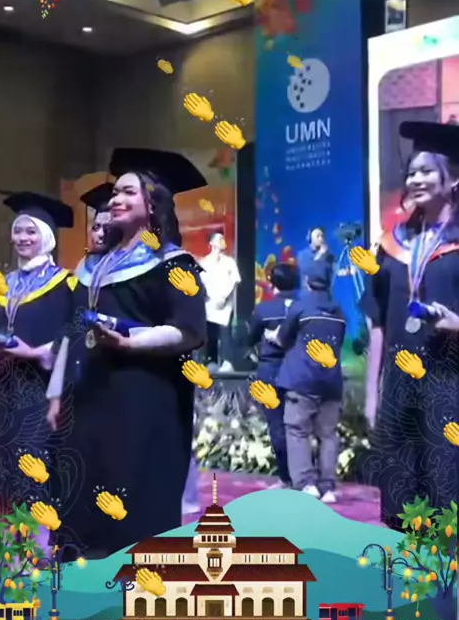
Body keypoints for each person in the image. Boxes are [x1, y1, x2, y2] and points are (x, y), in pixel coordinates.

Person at [47, 148, 207, 559]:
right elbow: (71, 331)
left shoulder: (173, 264)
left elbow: (189, 329)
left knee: (131, 491)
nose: (116, 199)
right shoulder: (95, 267)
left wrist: (130, 343)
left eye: (128, 192)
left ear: (152, 204)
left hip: (143, 398)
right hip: (90, 395)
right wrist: (55, 393)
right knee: (82, 485)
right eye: (115, 192)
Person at [361, 120, 459, 531]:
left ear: (453, 178)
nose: (416, 179)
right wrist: (372, 393)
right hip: (401, 386)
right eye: (411, 172)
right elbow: (377, 321)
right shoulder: (391, 244)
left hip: (449, 384)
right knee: (402, 497)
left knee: (446, 491)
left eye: (427, 171)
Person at [0, 193, 74, 520]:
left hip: (39, 387)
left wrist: (36, 352)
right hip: (3, 386)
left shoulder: (65, 284)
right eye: (18, 231)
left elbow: (72, 333)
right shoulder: (2, 286)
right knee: (0, 465)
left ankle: (34, 541)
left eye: (31, 232)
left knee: (31, 465)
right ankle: (4, 538)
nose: (23, 238)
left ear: (46, 237)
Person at [276, 260, 346, 502]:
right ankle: (328, 487)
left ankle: (306, 484)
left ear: (307, 281)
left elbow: (283, 338)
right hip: (331, 381)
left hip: (302, 379)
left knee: (297, 430)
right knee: (328, 434)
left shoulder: (300, 307)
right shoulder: (339, 312)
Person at [247, 263, 300, 487]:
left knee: (277, 426)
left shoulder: (264, 309)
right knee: (300, 427)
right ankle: (304, 477)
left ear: (272, 283)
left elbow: (250, 337)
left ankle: (285, 478)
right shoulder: (303, 307)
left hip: (269, 373)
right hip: (298, 372)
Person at [201, 232, 241, 369]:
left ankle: (227, 362)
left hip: (225, 303)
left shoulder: (229, 262)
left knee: (225, 332)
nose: (222, 241)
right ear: (211, 243)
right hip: (209, 303)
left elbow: (235, 280)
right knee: (210, 333)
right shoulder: (204, 262)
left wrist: (224, 296)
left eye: (222, 238)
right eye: (219, 239)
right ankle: (210, 360)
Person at [79, 183, 113, 257]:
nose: (101, 234)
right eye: (96, 227)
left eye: (108, 228)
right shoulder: (87, 261)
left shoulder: (130, 259)